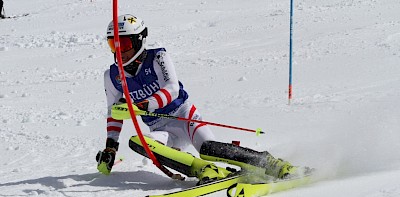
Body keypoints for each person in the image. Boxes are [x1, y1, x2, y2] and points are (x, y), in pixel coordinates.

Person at [96, 14, 307, 183]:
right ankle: (203, 170)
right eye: (113, 45)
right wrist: (110, 148)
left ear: (138, 40)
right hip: (162, 130)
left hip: (185, 117)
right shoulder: (112, 76)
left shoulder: (158, 58)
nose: (119, 52)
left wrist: (142, 105)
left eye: (123, 45)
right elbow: (113, 113)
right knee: (140, 142)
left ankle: (273, 164)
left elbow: (172, 90)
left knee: (209, 149)